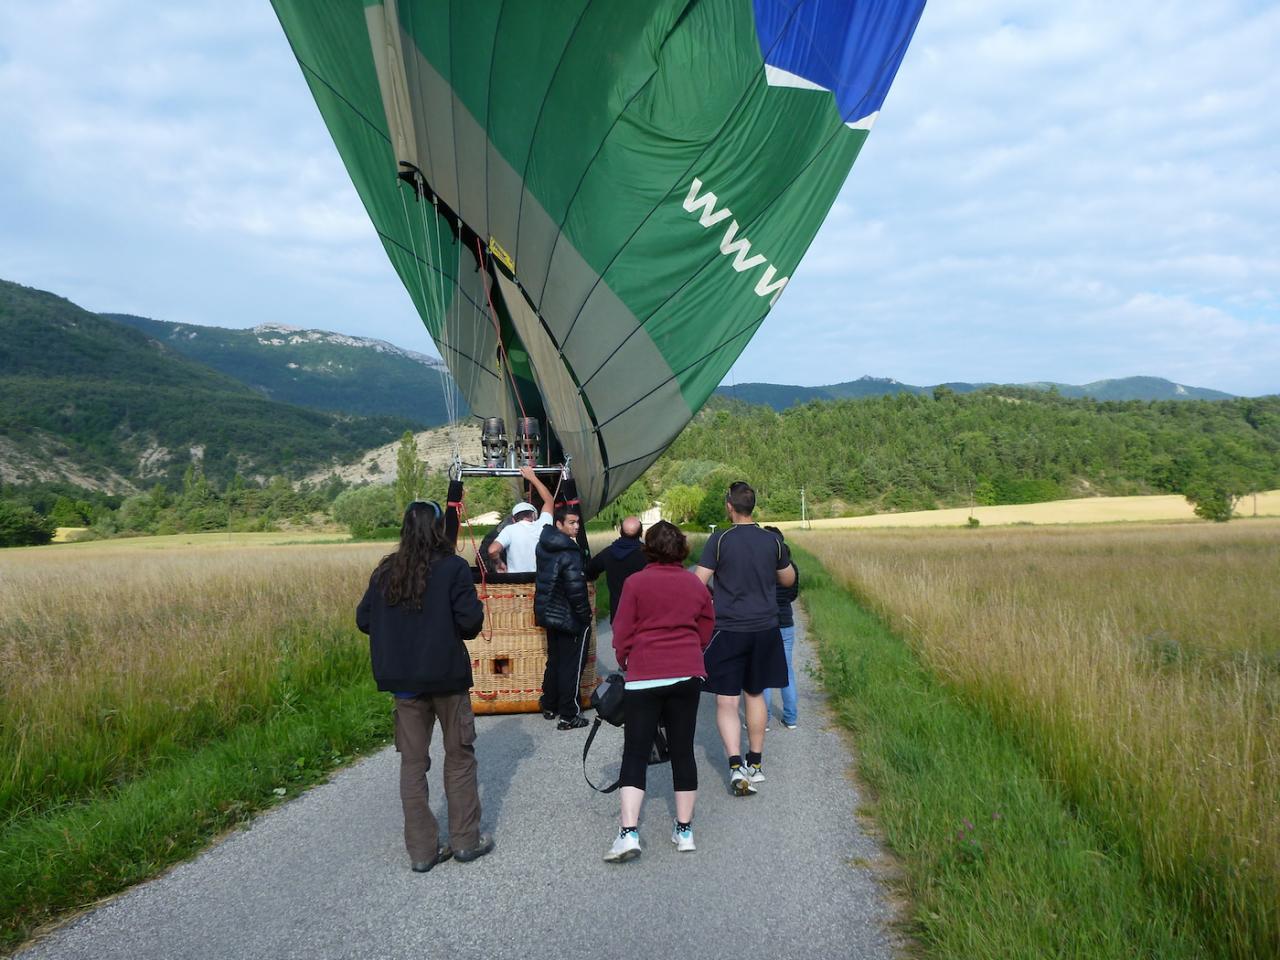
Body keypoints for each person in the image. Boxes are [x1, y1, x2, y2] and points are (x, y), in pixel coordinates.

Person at [356, 500, 495, 872]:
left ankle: (422, 852)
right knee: (459, 756)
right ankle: (465, 841)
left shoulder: (385, 571)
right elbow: (469, 623)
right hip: (447, 678)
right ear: (438, 529)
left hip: (403, 683)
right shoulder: (452, 568)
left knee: (413, 765)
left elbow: (363, 620)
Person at [604, 521, 714, 863]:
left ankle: (628, 834)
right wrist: (694, 647)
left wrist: (624, 658)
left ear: (647, 548)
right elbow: (707, 624)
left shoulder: (635, 583)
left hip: (645, 674)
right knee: (683, 750)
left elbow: (621, 630)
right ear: (681, 548)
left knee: (636, 752)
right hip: (686, 673)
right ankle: (684, 832)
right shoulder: (693, 584)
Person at [693, 481, 795, 797]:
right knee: (755, 693)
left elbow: (698, 581)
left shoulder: (720, 540)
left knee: (726, 700)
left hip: (729, 629)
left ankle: (735, 764)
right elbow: (789, 578)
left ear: (729, 506)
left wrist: (714, 595)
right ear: (753, 506)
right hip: (766, 628)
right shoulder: (772, 541)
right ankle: (757, 764)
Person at [533, 503, 593, 729]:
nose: (576, 527)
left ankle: (549, 704)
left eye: (578, 522)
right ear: (559, 524)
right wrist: (584, 616)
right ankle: (569, 714)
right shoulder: (570, 551)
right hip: (568, 615)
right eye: (571, 523)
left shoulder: (544, 545)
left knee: (555, 661)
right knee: (572, 665)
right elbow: (575, 588)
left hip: (549, 612)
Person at [762, 526, 800, 730]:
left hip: (766, 623)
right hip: (786, 622)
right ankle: (791, 718)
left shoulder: (762, 566)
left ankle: (764, 719)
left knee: (765, 673)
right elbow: (793, 594)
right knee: (787, 671)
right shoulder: (791, 566)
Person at [487, 465, 555, 573]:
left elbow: (492, 550)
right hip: (541, 582)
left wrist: (499, 563)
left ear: (513, 520)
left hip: (517, 584)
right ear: (534, 516)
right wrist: (532, 477)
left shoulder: (509, 530)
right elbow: (549, 500)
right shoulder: (543, 526)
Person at [586, 515, 647, 622]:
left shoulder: (608, 553)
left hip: (619, 614)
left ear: (620, 531)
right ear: (641, 533)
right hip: (644, 615)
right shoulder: (648, 554)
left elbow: (589, 571)